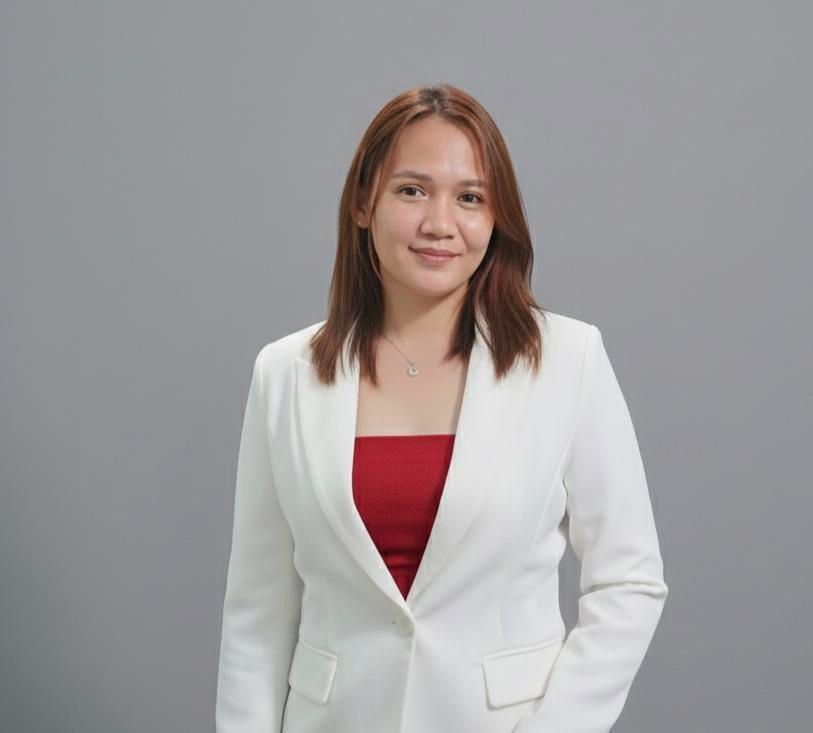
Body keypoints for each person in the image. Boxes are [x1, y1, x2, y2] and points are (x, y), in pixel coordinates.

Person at [215, 83, 669, 733]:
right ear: (364, 202)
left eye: (470, 198)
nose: (440, 223)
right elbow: (256, 614)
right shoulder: (284, 375)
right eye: (412, 190)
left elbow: (629, 582)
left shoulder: (569, 360)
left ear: (496, 218)